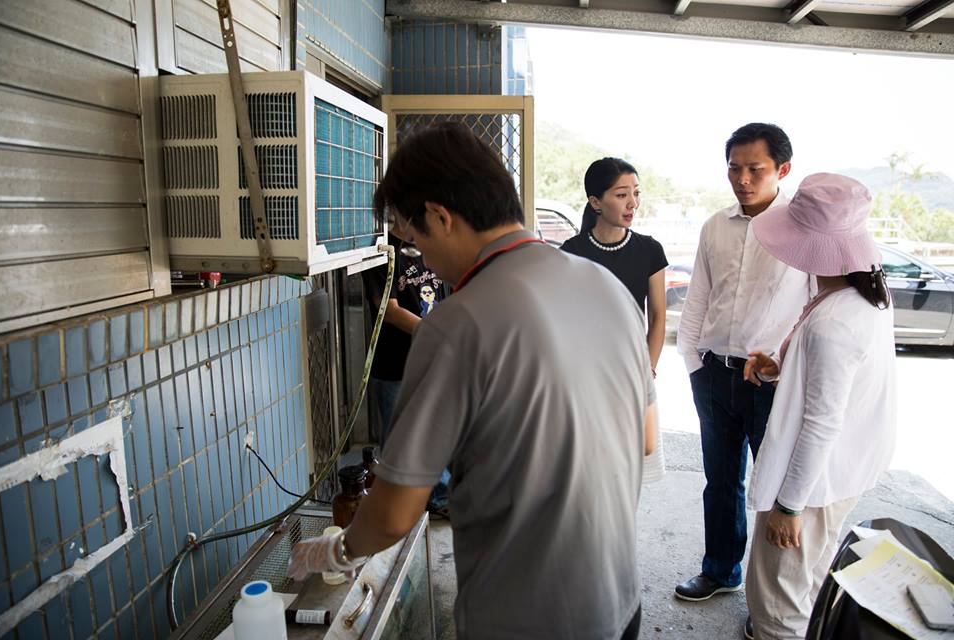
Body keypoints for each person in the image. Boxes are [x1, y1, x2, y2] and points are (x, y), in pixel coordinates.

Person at [289, 123, 654, 639]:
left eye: (417, 240)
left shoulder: (458, 322)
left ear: (440, 217)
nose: (427, 262)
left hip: (524, 620)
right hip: (619, 604)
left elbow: (394, 512)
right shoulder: (607, 286)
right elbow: (647, 438)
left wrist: (338, 548)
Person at [742, 173, 896, 639]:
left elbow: (821, 423)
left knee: (777, 606)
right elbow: (836, 386)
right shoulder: (867, 297)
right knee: (806, 585)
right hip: (840, 475)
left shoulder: (833, 321)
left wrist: (788, 507)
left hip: (810, 485)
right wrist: (782, 369)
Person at [675, 123, 813, 609]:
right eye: (734, 168)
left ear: (783, 169)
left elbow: (812, 306)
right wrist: (692, 362)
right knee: (721, 479)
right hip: (714, 373)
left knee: (774, 491)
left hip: (772, 382)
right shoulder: (716, 225)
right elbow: (698, 299)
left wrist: (784, 364)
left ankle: (771, 604)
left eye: (755, 169)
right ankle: (721, 569)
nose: (743, 179)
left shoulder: (803, 228)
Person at [561, 158, 665, 472]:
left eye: (636, 193)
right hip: (586, 375)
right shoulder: (572, 251)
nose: (633, 203)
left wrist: (647, 369)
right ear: (595, 202)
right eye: (621, 195)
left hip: (634, 372)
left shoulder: (649, 250)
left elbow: (658, 316)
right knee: (587, 463)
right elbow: (568, 319)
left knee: (634, 458)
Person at [362, 218, 447, 448]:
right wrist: (436, 335)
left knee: (436, 446)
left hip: (433, 364)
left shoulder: (429, 244)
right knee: (401, 449)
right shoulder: (382, 248)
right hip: (396, 368)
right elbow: (389, 310)